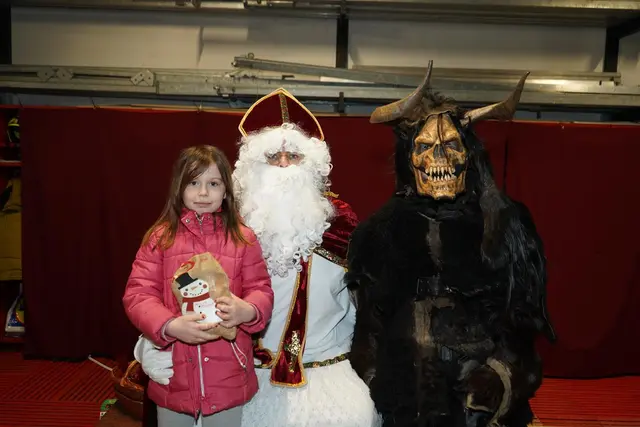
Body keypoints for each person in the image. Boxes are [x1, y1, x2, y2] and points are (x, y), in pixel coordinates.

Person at [134, 88, 381, 427]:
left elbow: (367, 302)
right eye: (272, 156)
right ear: (251, 167)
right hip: (238, 369)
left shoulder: (339, 223)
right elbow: (172, 284)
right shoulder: (226, 226)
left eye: (294, 156)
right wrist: (152, 341)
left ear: (312, 163)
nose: (284, 165)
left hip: (325, 369)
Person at [345, 61, 556, 427]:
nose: (439, 159)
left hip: (480, 400)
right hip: (406, 395)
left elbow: (522, 317)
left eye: (451, 146)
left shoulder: (504, 224)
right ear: (410, 158)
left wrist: (500, 375)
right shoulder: (379, 231)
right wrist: (374, 381)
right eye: (426, 147)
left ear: (468, 155)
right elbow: (369, 324)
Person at [122, 145, 274, 427]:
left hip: (227, 373)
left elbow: (261, 289)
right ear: (179, 188)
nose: (203, 192)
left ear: (226, 191)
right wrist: (169, 325)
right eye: (193, 183)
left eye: (213, 184)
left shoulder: (243, 238)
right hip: (174, 374)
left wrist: (248, 310)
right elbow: (138, 294)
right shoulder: (161, 238)